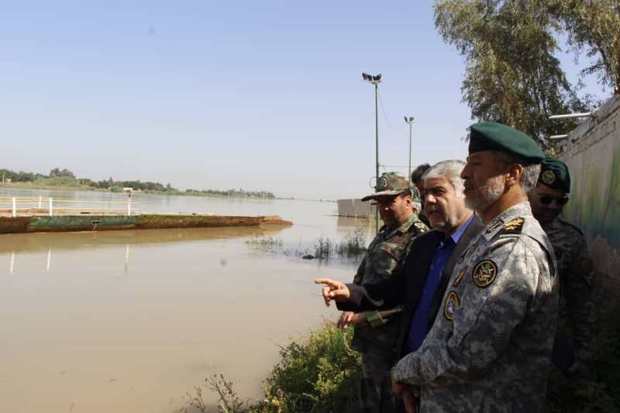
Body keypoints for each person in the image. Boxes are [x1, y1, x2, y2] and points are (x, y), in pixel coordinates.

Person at [328, 122, 558, 412]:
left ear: (512, 175)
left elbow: (467, 353)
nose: (465, 173)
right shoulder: (489, 238)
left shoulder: (512, 247)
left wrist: (405, 371)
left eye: (476, 164)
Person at [317, 160, 483, 411]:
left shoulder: (486, 245)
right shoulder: (426, 244)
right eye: (425, 194)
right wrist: (349, 293)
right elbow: (394, 290)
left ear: (465, 192)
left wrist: (366, 318)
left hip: (451, 381)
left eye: (438, 192)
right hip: (410, 364)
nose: (428, 201)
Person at [342, 172, 428, 413]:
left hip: (393, 341)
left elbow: (411, 300)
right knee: (369, 397)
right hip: (370, 339)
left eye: (390, 201)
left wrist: (365, 317)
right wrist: (350, 301)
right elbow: (364, 276)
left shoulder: (419, 238)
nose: (384, 208)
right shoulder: (385, 231)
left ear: (408, 200)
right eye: (379, 203)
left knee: (391, 401)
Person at [529, 159, 595, 377]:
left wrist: (583, 352)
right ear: (529, 191)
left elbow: (580, 300)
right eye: (545, 199)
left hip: (549, 346)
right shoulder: (501, 229)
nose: (553, 207)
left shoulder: (571, 239)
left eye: (561, 202)